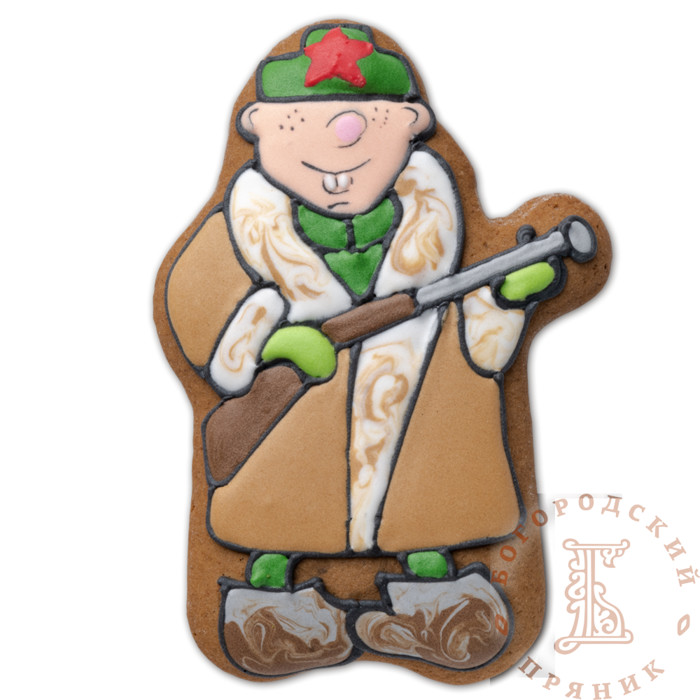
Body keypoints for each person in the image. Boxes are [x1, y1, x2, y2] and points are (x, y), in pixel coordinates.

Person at [166, 23, 561, 675]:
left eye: (366, 130)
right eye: (300, 130)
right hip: (291, 422)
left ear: (411, 127)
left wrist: (506, 298)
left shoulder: (438, 235)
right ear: (259, 129)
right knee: (277, 509)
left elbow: (478, 347)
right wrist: (264, 338)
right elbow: (194, 301)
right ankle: (269, 603)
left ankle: (435, 598)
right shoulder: (237, 231)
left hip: (418, 418)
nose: (340, 152)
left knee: (423, 506)